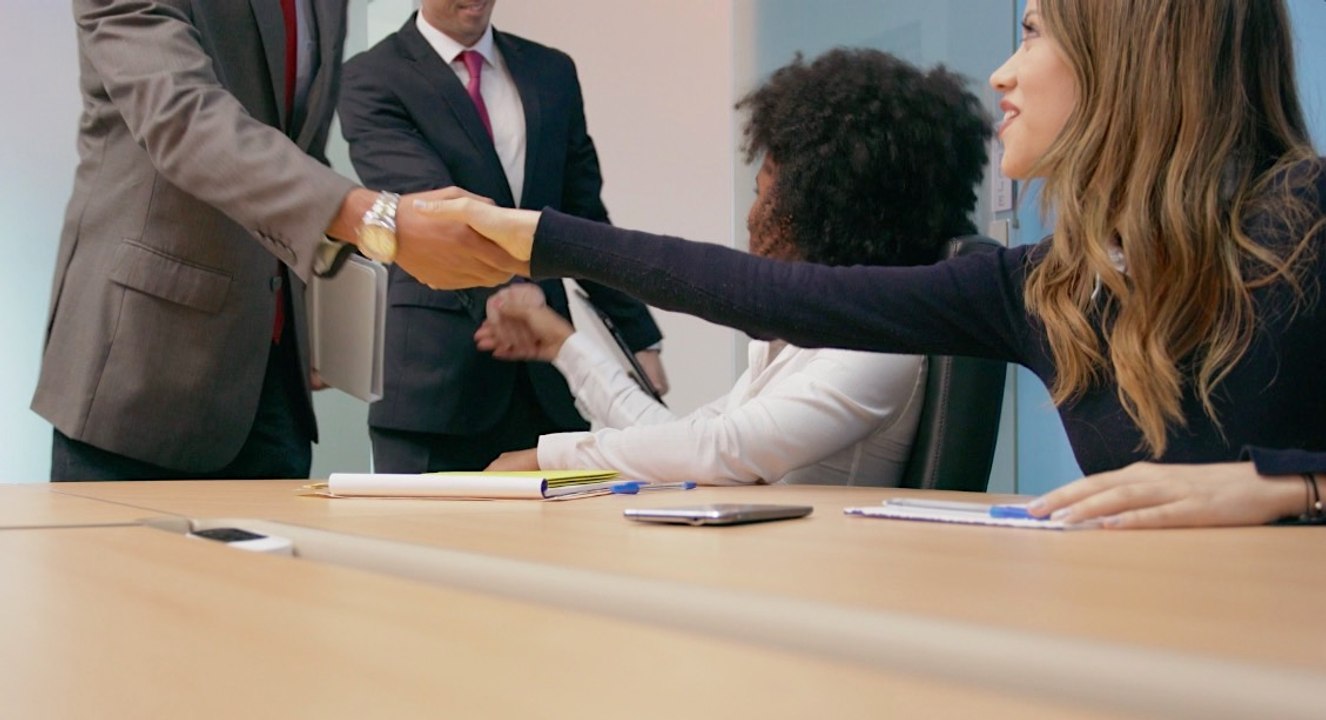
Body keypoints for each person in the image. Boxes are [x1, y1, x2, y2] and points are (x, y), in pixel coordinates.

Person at [423, 0, 1326, 528]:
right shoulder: (1040, 285)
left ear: (1135, 58)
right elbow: (766, 296)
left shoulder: (1306, 219)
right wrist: (528, 233)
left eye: (1038, 32)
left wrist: (1286, 483)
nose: (1002, 74)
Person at [33, 0, 510, 481]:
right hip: (142, 368)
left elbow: (299, 146)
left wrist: (318, 311)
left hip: (275, 379)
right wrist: (382, 221)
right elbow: (182, 118)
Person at [473, 49, 991, 486]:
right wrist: (564, 345)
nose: (751, 215)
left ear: (824, 206)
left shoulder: (879, 346)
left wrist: (547, 458)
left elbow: (722, 452)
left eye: (764, 191)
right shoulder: (796, 341)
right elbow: (674, 440)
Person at [337, 0, 664, 473]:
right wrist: (516, 298)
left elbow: (584, 219)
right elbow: (437, 213)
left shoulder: (550, 71)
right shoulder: (372, 76)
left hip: (546, 388)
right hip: (435, 385)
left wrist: (637, 341)